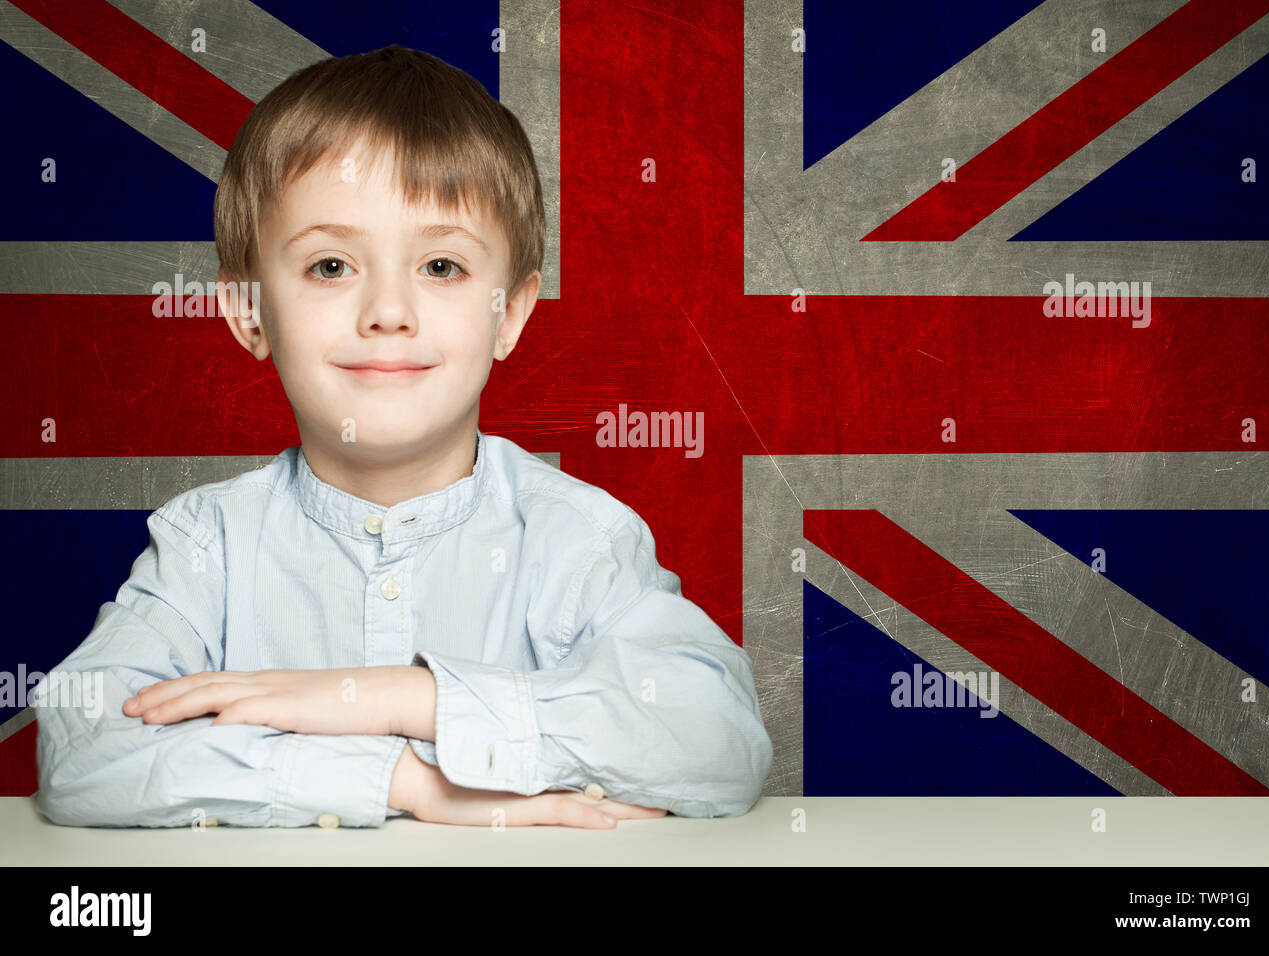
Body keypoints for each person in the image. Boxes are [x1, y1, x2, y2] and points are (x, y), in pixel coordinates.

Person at [32, 45, 773, 830]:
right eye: (329, 266)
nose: (388, 309)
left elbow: (720, 737)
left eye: (443, 266)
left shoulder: (577, 540)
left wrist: (408, 699)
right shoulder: (206, 546)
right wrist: (404, 780)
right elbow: (82, 749)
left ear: (509, 314)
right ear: (249, 311)